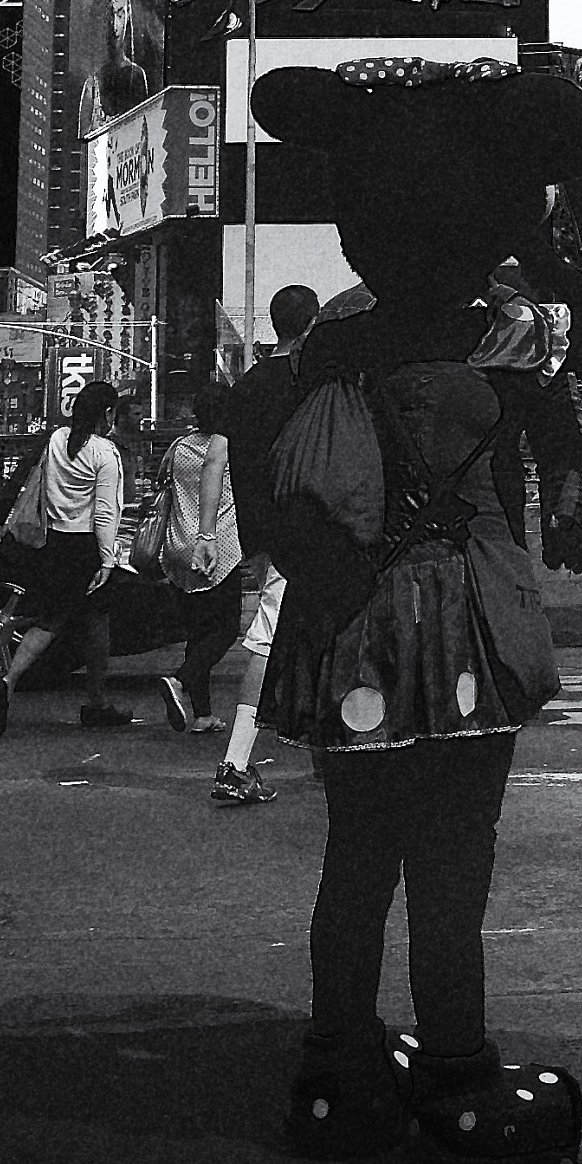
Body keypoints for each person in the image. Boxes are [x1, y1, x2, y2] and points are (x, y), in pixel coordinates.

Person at [252, 55, 582, 1164]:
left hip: (349, 624)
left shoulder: (330, 341)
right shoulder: (505, 338)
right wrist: (532, 235)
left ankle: (336, 1071)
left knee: (357, 855)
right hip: (460, 626)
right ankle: (455, 1070)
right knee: (456, 854)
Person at [212, 285, 323, 806]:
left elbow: (233, 465)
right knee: (270, 638)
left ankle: (329, 748)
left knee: (310, 633)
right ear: (312, 323)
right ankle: (234, 762)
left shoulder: (248, 386)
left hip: (268, 531)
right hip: (311, 525)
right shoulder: (308, 383)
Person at [0, 380, 130, 734]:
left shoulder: (55, 441)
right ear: (107, 413)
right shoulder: (105, 453)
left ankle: (7, 681)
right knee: (98, 626)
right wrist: (108, 560)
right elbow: (106, 513)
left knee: (48, 621)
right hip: (87, 549)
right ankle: (96, 703)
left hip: (54, 545)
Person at [151, 386, 249, 753]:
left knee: (198, 631)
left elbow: (163, 487)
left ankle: (203, 714)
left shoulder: (178, 447)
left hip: (178, 545)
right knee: (224, 629)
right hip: (216, 548)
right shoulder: (229, 446)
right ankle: (179, 680)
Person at [77, 0, 150, 136]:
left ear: (128, 15)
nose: (114, 25)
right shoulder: (92, 83)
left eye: (120, 14)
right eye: (110, 15)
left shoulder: (136, 76)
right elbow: (84, 146)